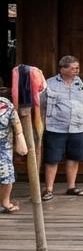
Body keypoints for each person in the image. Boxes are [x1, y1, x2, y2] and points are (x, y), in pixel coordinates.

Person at [39, 55, 83, 200]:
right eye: (73, 68)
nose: (76, 70)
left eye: (77, 67)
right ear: (62, 69)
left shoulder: (82, 83)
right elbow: (40, 104)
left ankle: (71, 186)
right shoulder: (49, 83)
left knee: (74, 157)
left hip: (77, 126)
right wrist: (39, 123)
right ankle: (49, 189)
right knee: (52, 158)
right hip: (55, 126)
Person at [0, 82, 28, 213]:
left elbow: (16, 123)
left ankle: (5, 202)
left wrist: (20, 138)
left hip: (3, 146)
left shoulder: (5, 105)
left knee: (6, 175)